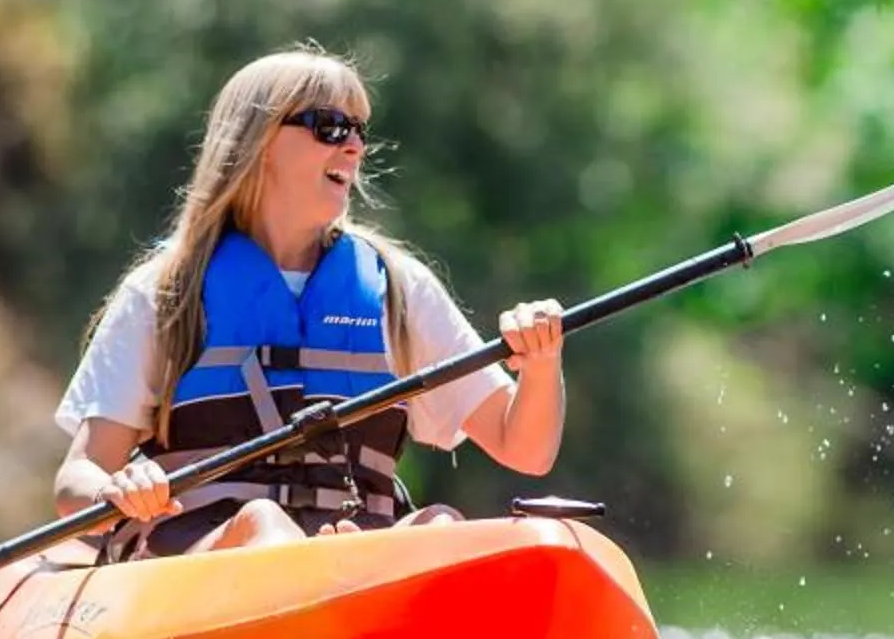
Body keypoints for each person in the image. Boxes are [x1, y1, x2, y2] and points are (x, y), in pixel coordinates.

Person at [51, 47, 569, 556]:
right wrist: (114, 492)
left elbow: (523, 447)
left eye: (360, 131)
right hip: (201, 556)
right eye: (331, 127)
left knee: (442, 525)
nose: (354, 148)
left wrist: (541, 364)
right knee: (266, 525)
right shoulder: (166, 292)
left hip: (353, 550)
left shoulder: (397, 288)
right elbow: (76, 480)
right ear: (258, 142)